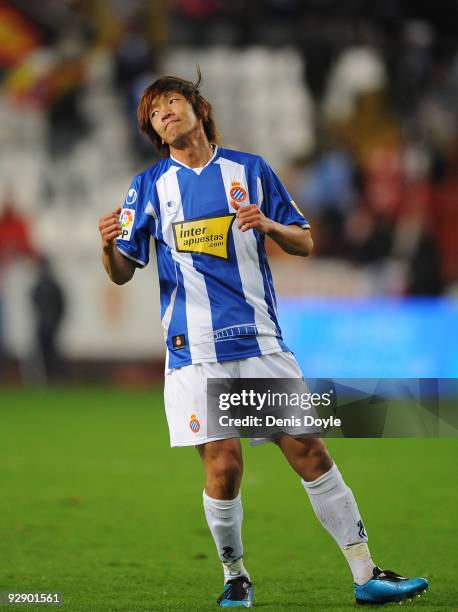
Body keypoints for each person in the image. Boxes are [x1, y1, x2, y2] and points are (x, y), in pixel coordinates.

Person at [98, 71, 428, 608]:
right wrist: (107, 246)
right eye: (156, 114)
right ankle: (235, 577)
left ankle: (367, 574)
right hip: (194, 353)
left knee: (310, 453)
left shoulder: (250, 171)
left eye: (173, 103)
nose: (166, 115)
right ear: (155, 132)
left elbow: (304, 239)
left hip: (258, 344)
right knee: (224, 465)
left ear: (198, 109)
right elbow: (120, 271)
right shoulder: (149, 186)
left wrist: (270, 228)